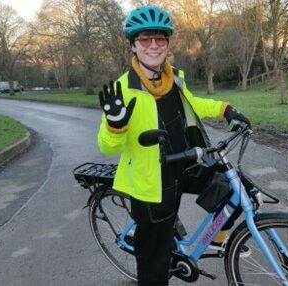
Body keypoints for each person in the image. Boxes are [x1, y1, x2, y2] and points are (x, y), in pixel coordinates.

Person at [97, 5, 251, 286]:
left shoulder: (173, 77)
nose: (153, 45)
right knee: (154, 266)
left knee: (239, 191)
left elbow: (195, 104)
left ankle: (218, 240)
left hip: (186, 163)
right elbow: (107, 146)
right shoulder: (123, 89)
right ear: (133, 45)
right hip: (152, 183)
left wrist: (224, 109)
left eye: (160, 39)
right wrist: (114, 125)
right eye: (145, 39)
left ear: (167, 43)